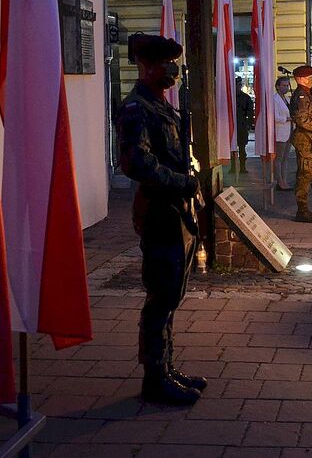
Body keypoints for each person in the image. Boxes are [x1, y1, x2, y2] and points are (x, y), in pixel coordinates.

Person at [114, 35, 206, 405]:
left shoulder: (163, 107)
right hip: (159, 211)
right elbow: (136, 163)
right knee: (160, 297)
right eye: (166, 63)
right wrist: (183, 183)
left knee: (172, 294)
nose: (174, 69)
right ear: (146, 65)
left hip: (176, 212)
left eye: (175, 63)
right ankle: (154, 377)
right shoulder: (137, 108)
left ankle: (166, 367)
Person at [289, 65, 312, 222]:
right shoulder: (301, 95)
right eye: (309, 78)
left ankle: (304, 208)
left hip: (308, 137)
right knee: (305, 174)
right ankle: (302, 210)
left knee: (308, 173)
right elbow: (301, 118)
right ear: (300, 79)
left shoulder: (306, 94)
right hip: (304, 138)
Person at [273, 76, 293, 191]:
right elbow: (275, 117)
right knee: (279, 158)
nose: (286, 87)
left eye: (287, 85)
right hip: (280, 131)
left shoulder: (287, 99)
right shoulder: (275, 99)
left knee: (285, 158)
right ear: (278, 86)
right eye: (283, 85)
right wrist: (288, 118)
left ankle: (284, 180)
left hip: (289, 131)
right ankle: (279, 181)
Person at [234, 76, 254, 174]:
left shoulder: (245, 97)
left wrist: (248, 124)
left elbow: (250, 112)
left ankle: (242, 167)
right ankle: (233, 167)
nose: (238, 87)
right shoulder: (230, 97)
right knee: (232, 149)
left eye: (239, 85)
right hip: (233, 125)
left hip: (241, 125)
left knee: (242, 148)